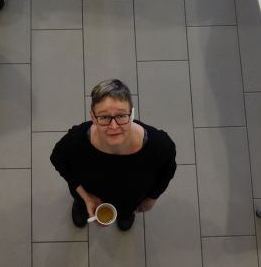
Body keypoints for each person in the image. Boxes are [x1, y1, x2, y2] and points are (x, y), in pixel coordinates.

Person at [50, 79, 177, 231]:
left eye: (121, 116)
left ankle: (125, 214)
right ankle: (82, 206)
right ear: (93, 118)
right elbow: (57, 159)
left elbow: (167, 171)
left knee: (127, 210)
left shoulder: (160, 145)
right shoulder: (76, 141)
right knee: (82, 204)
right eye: (104, 117)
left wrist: (152, 198)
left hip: (131, 199)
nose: (114, 126)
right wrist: (85, 197)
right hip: (88, 193)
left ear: (131, 114)